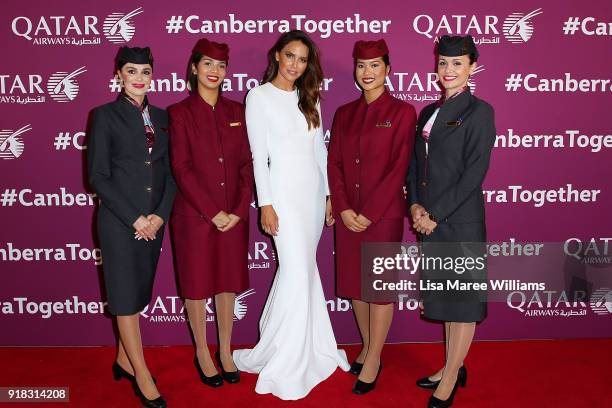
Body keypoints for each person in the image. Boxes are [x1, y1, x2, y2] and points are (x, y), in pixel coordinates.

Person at [232, 30, 350, 400]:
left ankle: (291, 345)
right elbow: (257, 156)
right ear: (277, 56)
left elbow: (320, 152)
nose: (295, 65)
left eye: (302, 59)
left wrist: (330, 195)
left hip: (312, 197)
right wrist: (265, 203)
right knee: (297, 271)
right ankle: (288, 358)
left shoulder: (309, 98)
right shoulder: (259, 97)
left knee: (299, 272)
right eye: (290, 56)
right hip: (282, 196)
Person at [407, 35, 495, 408]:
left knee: (462, 304)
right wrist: (414, 206)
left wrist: (436, 215)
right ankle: (451, 366)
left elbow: (474, 173)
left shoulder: (480, 111)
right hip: (429, 220)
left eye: (457, 63)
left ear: (472, 67)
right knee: (445, 298)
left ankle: (450, 379)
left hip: (458, 221)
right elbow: (415, 166)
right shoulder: (427, 112)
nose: (448, 70)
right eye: (443, 62)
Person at [88, 46, 176, 408]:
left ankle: (123, 360)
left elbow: (171, 172)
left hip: (153, 223)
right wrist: (135, 218)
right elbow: (98, 176)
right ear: (119, 75)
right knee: (124, 300)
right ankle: (141, 373)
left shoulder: (162, 116)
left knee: (137, 294)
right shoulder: (104, 116)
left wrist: (158, 215)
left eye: (145, 72)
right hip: (119, 222)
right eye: (131, 71)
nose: (139, 78)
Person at [327, 39, 417, 395]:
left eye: (375, 66)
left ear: (388, 70)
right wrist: (345, 207)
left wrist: (368, 211)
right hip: (349, 215)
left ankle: (375, 356)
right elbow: (334, 163)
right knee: (356, 286)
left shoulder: (403, 112)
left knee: (378, 290)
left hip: (383, 216)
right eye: (362, 66)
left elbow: (399, 168)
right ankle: (366, 345)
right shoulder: (344, 113)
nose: (368, 73)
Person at [168, 38, 254, 388]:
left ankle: (226, 350)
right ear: (194, 68)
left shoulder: (237, 112)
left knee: (227, 282)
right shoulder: (179, 113)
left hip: (233, 215)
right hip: (194, 216)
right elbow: (181, 167)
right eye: (208, 65)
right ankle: (203, 351)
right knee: (197, 285)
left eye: (220, 66)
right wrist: (212, 211)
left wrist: (236, 209)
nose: (214, 72)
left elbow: (248, 164)